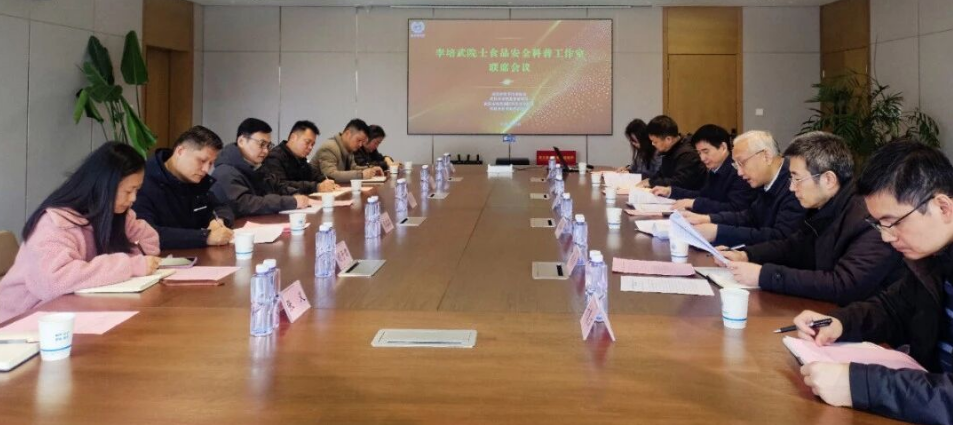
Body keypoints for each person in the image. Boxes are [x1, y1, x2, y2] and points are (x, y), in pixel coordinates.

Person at [791, 139, 953, 425]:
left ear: (943, 207)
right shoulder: (932, 256)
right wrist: (840, 323)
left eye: (894, 222)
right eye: (879, 224)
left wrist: (860, 385)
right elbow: (892, 308)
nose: (886, 237)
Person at [717, 132, 903, 305]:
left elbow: (843, 285)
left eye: (797, 179)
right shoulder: (825, 207)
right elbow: (793, 247)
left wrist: (763, 275)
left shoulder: (869, 218)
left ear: (828, 180)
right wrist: (746, 254)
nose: (792, 188)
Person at [0, 142, 161, 323]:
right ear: (103, 186)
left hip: (70, 312)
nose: (133, 199)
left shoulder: (114, 214)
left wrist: (129, 256)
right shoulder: (56, 222)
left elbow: (149, 245)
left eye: (137, 190)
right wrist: (128, 266)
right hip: (23, 321)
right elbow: (54, 282)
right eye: (128, 191)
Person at [682, 130, 806, 246]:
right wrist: (708, 219)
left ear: (767, 156)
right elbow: (750, 217)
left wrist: (719, 232)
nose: (739, 173)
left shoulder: (795, 185)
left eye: (742, 163)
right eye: (736, 166)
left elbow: (781, 238)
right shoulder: (766, 180)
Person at [133, 126, 235, 250]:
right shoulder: (142, 181)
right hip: (158, 257)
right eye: (202, 161)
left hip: (196, 255)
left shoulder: (197, 179)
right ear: (180, 151)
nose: (206, 169)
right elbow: (146, 234)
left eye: (210, 163)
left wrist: (218, 220)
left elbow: (221, 206)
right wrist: (204, 237)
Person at [210, 118, 311, 218]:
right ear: (241, 141)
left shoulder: (257, 166)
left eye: (268, 145)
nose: (266, 151)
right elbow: (246, 204)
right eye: (262, 144)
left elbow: (276, 186)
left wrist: (295, 194)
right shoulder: (225, 172)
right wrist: (290, 202)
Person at [650, 124, 756, 214]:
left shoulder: (738, 171)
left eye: (706, 152)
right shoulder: (715, 168)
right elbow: (703, 195)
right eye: (699, 153)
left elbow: (736, 208)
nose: (702, 158)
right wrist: (671, 191)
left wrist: (695, 204)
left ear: (723, 147)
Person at [260, 120, 336, 196]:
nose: (310, 147)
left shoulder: (301, 159)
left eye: (312, 144)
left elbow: (314, 175)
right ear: (293, 137)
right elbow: (281, 185)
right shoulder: (274, 157)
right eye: (307, 142)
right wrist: (316, 187)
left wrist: (326, 181)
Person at [634, 115, 707, 191]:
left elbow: (679, 182)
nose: (653, 144)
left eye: (655, 141)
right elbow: (662, 174)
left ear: (668, 139)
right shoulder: (669, 150)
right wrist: (649, 180)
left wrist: (651, 182)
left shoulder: (687, 154)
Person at [311, 119, 385, 183]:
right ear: (348, 134)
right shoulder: (329, 148)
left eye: (362, 142)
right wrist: (361, 175)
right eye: (358, 140)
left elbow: (353, 168)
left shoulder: (349, 148)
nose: (360, 145)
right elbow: (330, 175)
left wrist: (371, 169)